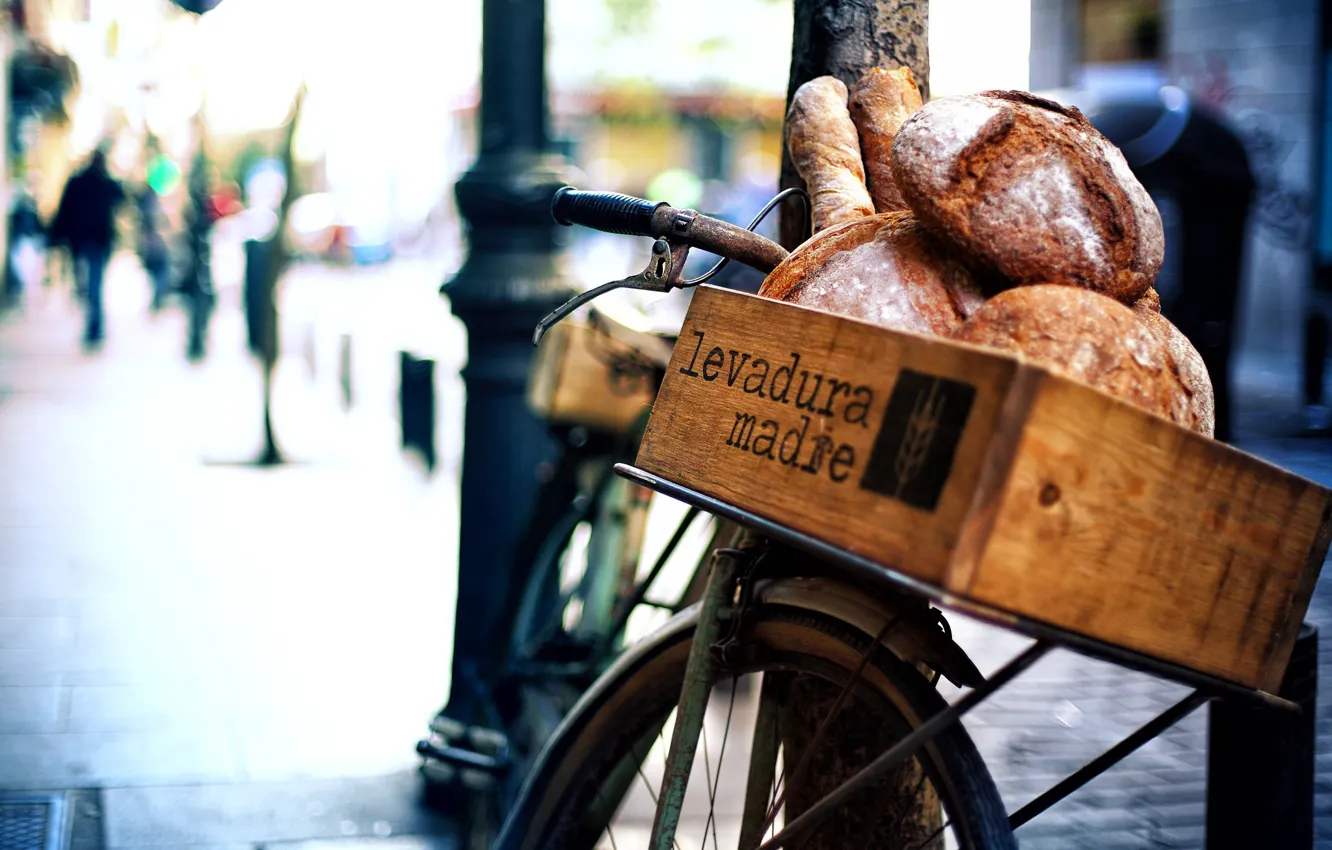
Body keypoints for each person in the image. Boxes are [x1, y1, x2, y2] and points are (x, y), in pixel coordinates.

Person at [50, 147, 124, 346]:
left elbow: (64, 210)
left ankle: (94, 326)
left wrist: (56, 236)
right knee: (92, 285)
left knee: (89, 284)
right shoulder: (102, 182)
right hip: (94, 241)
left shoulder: (80, 182)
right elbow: (121, 196)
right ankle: (94, 326)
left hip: (85, 242)